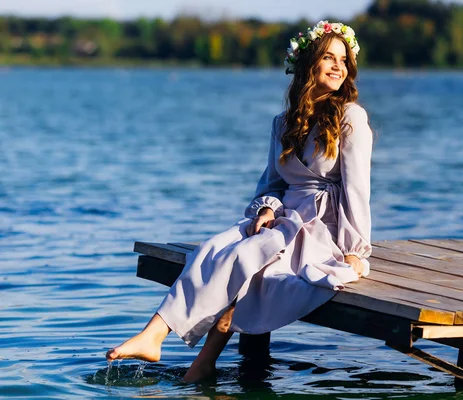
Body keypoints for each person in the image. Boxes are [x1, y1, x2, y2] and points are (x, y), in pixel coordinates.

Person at [106, 20, 373, 383]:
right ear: (309, 63)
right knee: (211, 250)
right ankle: (157, 336)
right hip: (283, 221)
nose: (339, 66)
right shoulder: (283, 124)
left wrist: (355, 250)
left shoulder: (351, 118)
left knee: (245, 259)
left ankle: (198, 363)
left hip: (321, 230)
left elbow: (358, 189)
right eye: (329, 57)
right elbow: (272, 184)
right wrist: (266, 208)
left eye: (344, 59)